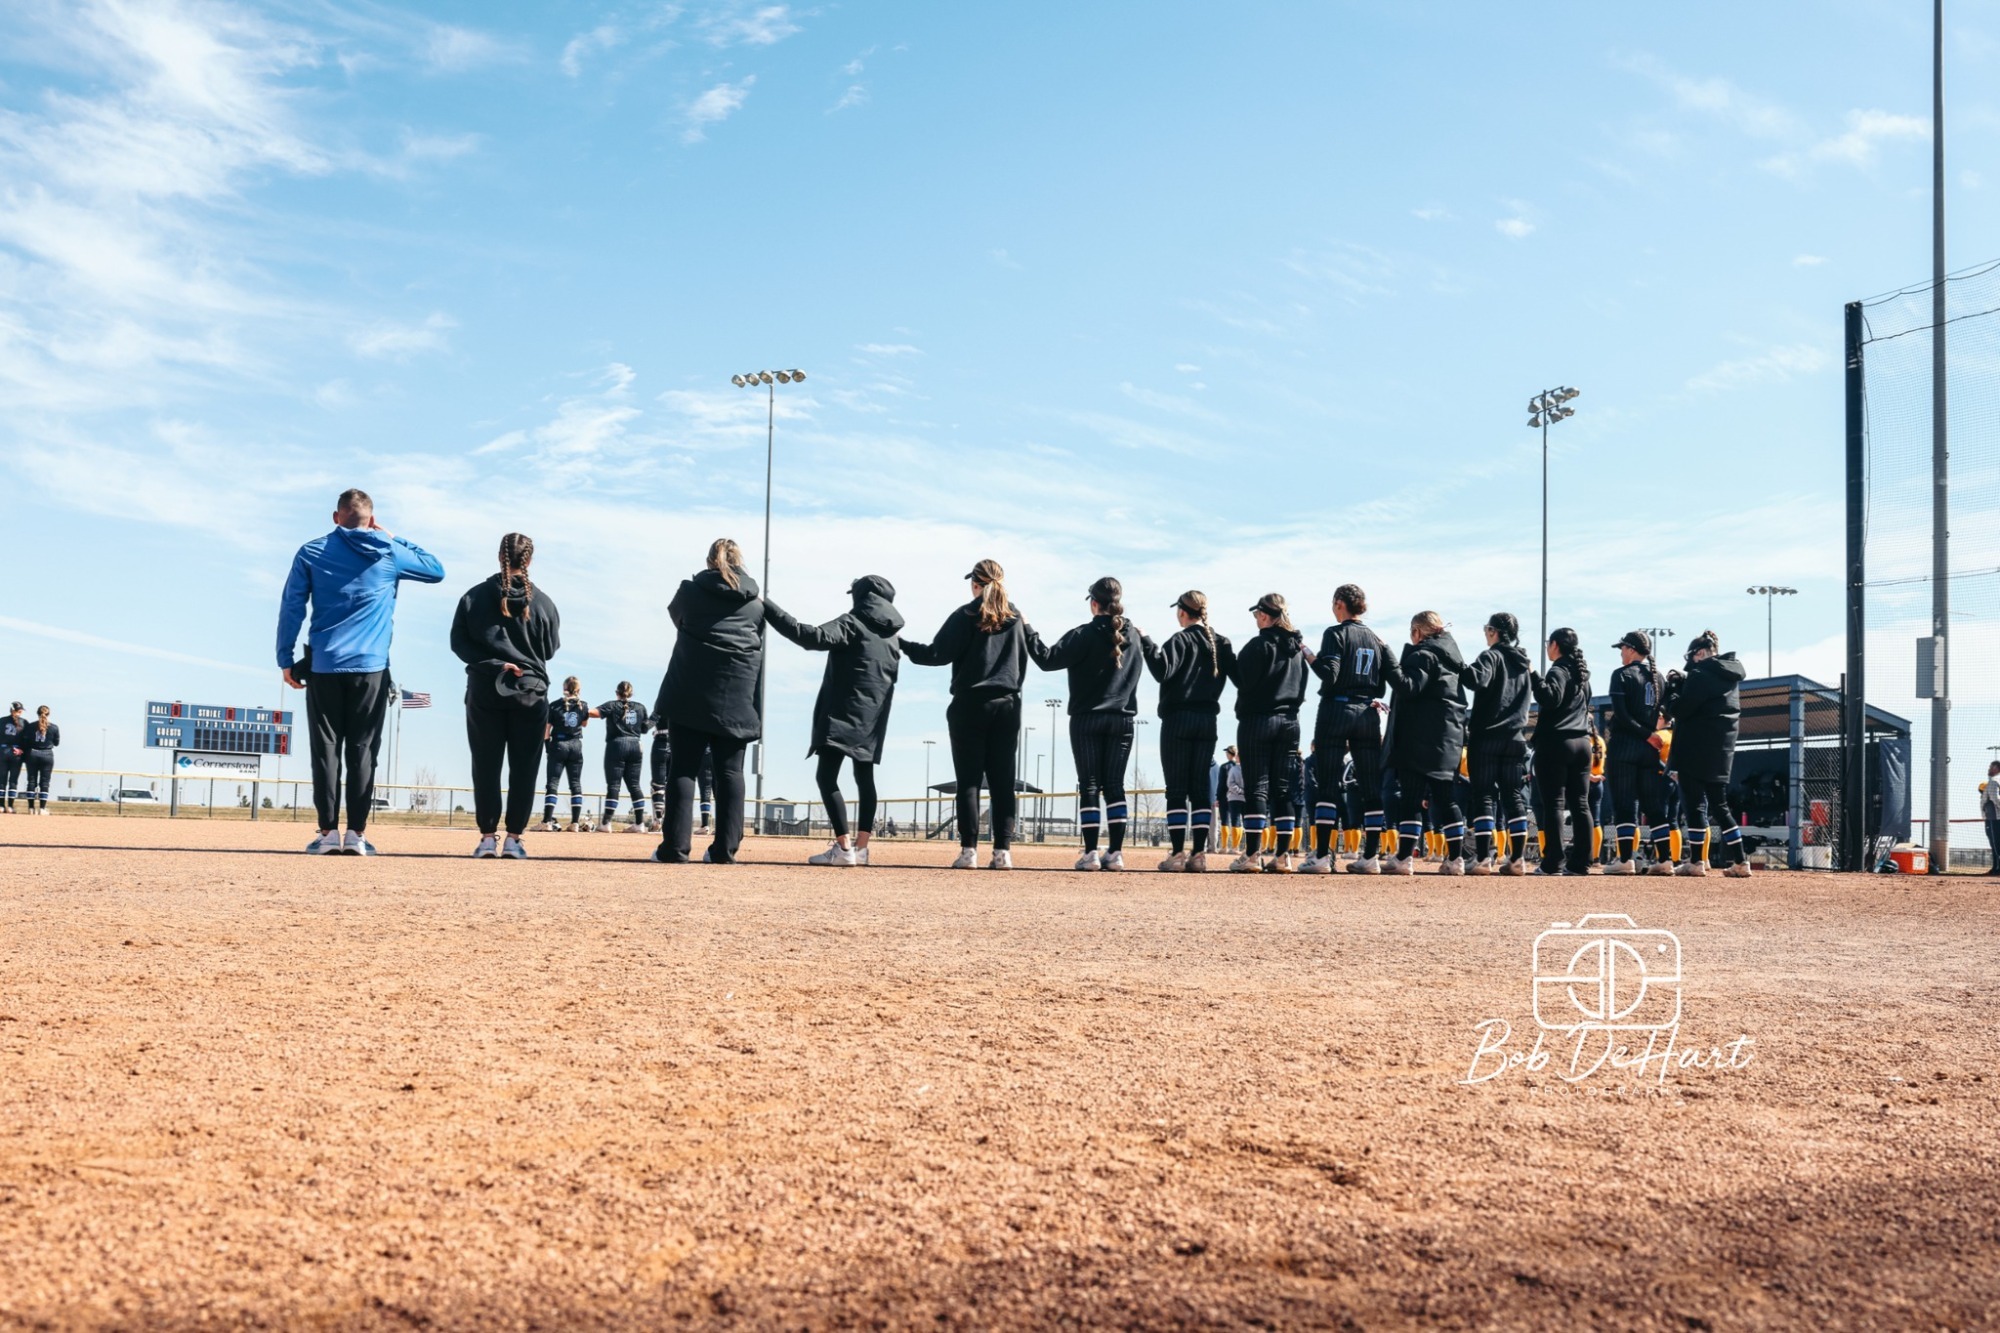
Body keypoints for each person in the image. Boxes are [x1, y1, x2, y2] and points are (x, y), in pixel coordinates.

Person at [276, 488, 445, 855]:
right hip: (371, 667)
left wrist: (285, 658)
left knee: (326, 750)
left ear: (336, 517)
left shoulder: (312, 551)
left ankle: (326, 834)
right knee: (364, 750)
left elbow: (292, 606)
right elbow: (435, 569)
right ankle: (356, 834)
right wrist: (392, 536)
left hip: (324, 665)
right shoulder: (388, 551)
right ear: (372, 518)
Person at [901, 559, 1034, 870]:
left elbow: (935, 655)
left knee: (969, 780)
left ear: (976, 584)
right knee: (1003, 781)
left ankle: (968, 851)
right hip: (1007, 704)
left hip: (970, 704)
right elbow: (1023, 663)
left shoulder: (965, 615)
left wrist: (901, 644)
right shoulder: (1016, 620)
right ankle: (1002, 852)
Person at [764, 575, 905, 868]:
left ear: (861, 596)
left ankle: (843, 848)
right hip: (873, 718)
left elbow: (810, 636)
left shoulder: (852, 623)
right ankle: (862, 849)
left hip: (841, 713)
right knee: (865, 779)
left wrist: (769, 608)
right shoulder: (891, 636)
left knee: (826, 777)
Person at [653, 539, 766, 865]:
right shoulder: (755, 605)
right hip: (737, 697)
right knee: (730, 773)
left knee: (683, 769)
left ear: (708, 561)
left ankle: (675, 849)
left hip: (690, 691)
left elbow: (677, 618)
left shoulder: (689, 591)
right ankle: (725, 850)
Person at [449, 533, 560, 859]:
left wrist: (494, 662)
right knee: (525, 768)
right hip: (530, 693)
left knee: (485, 766)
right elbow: (550, 650)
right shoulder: (543, 602)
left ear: (500, 555)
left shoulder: (474, 596)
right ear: (530, 559)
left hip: (486, 689)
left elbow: (459, 643)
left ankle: (487, 837)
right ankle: (514, 838)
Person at [1031, 576, 1145, 871]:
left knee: (1090, 786)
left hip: (1086, 719)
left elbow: (1046, 659)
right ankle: (1116, 853)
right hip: (1122, 719)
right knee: (1115, 786)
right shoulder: (1135, 637)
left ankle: (1092, 852)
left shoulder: (1082, 634)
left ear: (1094, 604)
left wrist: (1029, 630)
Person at [1139, 592, 1235, 872]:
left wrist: (1146, 641)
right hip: (1207, 721)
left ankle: (1179, 853)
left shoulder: (1178, 640)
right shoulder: (1220, 642)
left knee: (1177, 791)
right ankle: (1200, 854)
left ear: (1183, 612)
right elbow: (1240, 677)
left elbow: (1161, 670)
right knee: (1201, 791)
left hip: (1178, 719)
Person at [1305, 584, 1390, 875]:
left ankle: (1320, 856)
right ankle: (1371, 857)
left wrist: (1308, 654)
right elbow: (1385, 681)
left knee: (1328, 783)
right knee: (1371, 787)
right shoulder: (1375, 638)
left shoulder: (1335, 633)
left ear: (1340, 604)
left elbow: (1329, 675)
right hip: (1367, 711)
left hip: (1337, 709)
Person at [1227, 593, 1309, 873]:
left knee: (1257, 789)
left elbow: (1243, 682)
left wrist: (1228, 663)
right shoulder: (1297, 648)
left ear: (1263, 615)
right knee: (1282, 789)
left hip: (1257, 721)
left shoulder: (1258, 645)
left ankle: (1252, 855)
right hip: (1290, 721)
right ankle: (1283, 856)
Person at [1381, 612, 1468, 874]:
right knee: (1446, 799)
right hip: (1448, 740)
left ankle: (1404, 858)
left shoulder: (1423, 655)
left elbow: (1409, 686)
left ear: (1418, 632)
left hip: (1419, 740)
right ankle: (1456, 859)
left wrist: (1389, 658)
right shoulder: (1452, 660)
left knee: (1411, 798)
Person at [1663, 630, 1751, 878]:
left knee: (1694, 807)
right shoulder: (1730, 676)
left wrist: (1673, 688)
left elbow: (1680, 709)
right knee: (1720, 807)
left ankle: (1696, 862)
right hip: (1721, 752)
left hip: (1695, 749)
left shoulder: (1701, 675)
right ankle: (1741, 861)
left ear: (1699, 654)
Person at [1462, 612, 1533, 875]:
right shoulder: (1524, 662)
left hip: (1487, 737)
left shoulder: (1490, 656)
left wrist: (1459, 665)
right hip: (1516, 738)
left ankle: (1482, 858)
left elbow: (1475, 680)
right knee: (1513, 796)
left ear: (1493, 632)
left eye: (1486, 629)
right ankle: (1516, 859)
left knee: (1484, 796)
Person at [1605, 630, 1672, 875]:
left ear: (1631, 649)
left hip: (1624, 747)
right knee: (1654, 807)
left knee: (1625, 805)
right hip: (1649, 751)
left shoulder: (1621, 674)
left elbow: (1621, 715)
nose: (1621, 653)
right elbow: (1669, 710)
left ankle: (1625, 860)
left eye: (1622, 648)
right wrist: (1651, 734)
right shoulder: (1659, 677)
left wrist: (1644, 734)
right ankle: (1664, 860)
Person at [1530, 628, 1595, 876]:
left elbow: (1549, 698)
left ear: (1555, 645)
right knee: (1581, 804)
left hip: (1556, 742)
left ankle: (1553, 862)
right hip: (1582, 742)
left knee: (1554, 804)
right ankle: (1581, 863)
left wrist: (1534, 675)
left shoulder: (1557, 669)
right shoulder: (1582, 674)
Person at [595, 682, 652, 831]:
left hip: (617, 745)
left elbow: (594, 713)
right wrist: (655, 719)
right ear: (631, 693)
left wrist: (580, 709)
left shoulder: (612, 705)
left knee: (614, 785)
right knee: (635, 785)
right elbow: (645, 728)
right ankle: (640, 824)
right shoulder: (640, 707)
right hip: (636, 745)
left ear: (617, 692)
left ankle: (606, 823)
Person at [542, 678, 589, 830]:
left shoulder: (555, 705)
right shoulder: (584, 706)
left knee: (553, 782)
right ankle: (575, 823)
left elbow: (546, 730)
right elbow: (584, 724)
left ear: (564, 687)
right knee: (575, 783)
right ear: (578, 689)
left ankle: (547, 822)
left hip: (559, 744)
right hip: (576, 744)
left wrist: (547, 746)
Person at [19, 706, 58, 814]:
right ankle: (42, 809)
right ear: (48, 714)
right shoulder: (54, 727)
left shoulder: (30, 726)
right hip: (47, 754)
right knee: (44, 782)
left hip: (32, 754)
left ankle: (31, 808)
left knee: (31, 781)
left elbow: (25, 741)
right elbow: (56, 743)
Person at [647, 707, 672, 832]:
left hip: (661, 743)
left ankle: (658, 820)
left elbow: (647, 726)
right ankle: (672, 820)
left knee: (658, 785)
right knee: (673, 785)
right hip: (678, 744)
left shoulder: (662, 705)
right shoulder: (684, 705)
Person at [0, 702, 27, 814]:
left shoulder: (2, 720)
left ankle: (1, 806)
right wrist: (22, 750)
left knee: (2, 780)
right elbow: (27, 740)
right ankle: (10, 806)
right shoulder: (24, 723)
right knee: (13, 781)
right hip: (16, 753)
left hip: (3, 751)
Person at [1220, 747, 1245, 850]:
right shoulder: (1248, 768)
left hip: (1231, 797)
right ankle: (1238, 847)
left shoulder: (1227, 767)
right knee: (1243, 822)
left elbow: (1224, 784)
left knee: (1227, 822)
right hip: (1244, 798)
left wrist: (1218, 797)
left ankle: (1225, 847)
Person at [1983, 760, 2000, 876]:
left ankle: (1997, 869)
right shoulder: (1992, 782)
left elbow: (1995, 798)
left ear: (1997, 768)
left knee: (1996, 844)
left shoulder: (1994, 781)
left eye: (1991, 766)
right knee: (1995, 844)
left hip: (1994, 818)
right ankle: (1995, 868)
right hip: (1992, 817)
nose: (1989, 768)